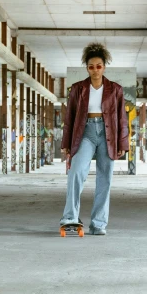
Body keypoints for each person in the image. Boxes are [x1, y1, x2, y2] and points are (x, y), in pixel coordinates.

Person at [60, 42, 129, 235]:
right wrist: (66, 143)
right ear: (87, 68)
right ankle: (70, 217)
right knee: (76, 172)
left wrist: (122, 142)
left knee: (104, 179)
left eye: (99, 66)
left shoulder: (115, 89)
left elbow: (122, 118)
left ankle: (98, 224)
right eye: (91, 67)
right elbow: (70, 118)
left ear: (104, 67)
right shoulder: (78, 89)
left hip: (108, 134)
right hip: (85, 133)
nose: (95, 70)